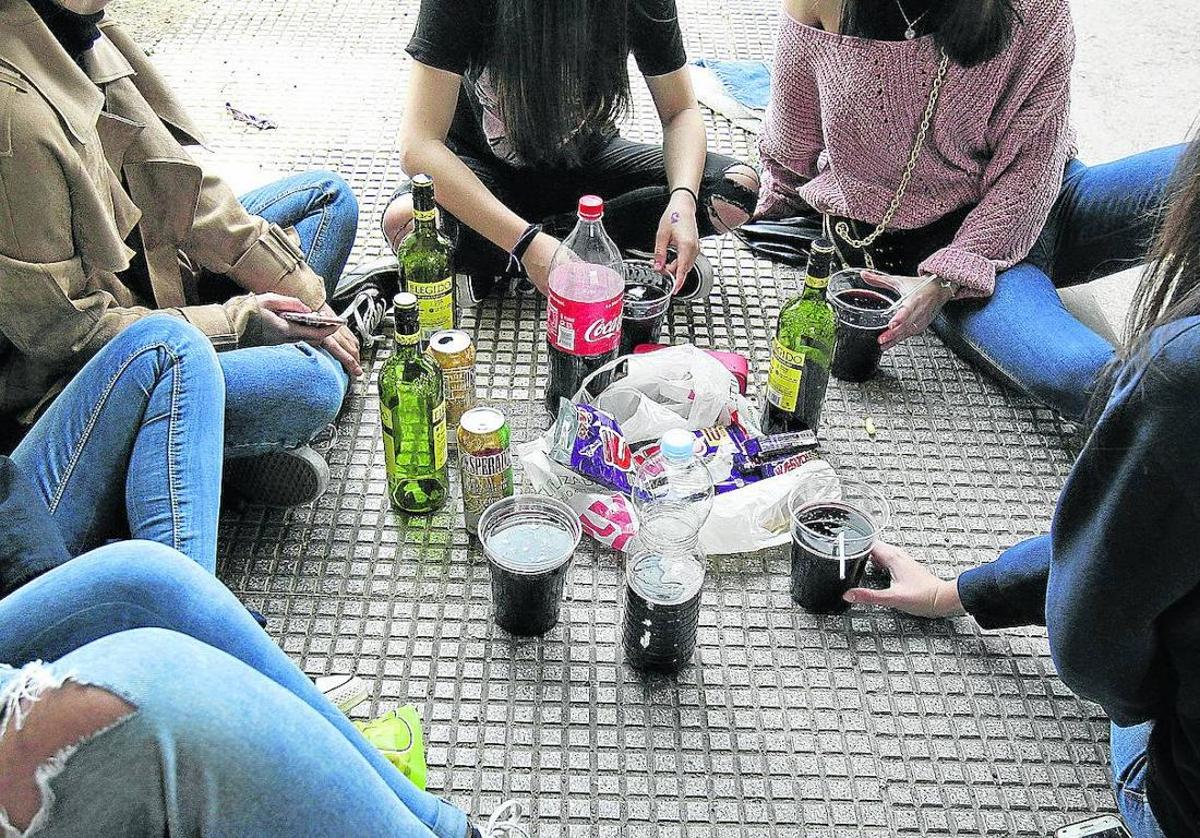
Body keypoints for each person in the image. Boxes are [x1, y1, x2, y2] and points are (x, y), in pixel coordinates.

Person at [841, 136, 1200, 838]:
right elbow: (1132, 541)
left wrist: (948, 275)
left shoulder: (1183, 374)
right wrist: (964, 592)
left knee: (1105, 387)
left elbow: (1093, 629)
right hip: (947, 240)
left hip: (1181, 798)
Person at [0, 0, 374, 507]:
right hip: (72, 388)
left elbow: (184, 189)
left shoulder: (78, 23)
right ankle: (205, 452)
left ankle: (225, 437)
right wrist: (241, 321)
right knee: (310, 384)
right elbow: (70, 337)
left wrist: (308, 299)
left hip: (156, 283)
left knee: (328, 199)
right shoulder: (12, 115)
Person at [757, 0, 1184, 421]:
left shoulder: (1039, 8)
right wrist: (746, 202)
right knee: (1098, 379)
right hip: (935, 258)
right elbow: (790, 145)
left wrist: (948, 279)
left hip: (1044, 202)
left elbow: (1034, 163)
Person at [381, 0, 760, 303]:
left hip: (585, 165)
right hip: (481, 172)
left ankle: (514, 260)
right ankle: (593, 257)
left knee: (733, 191)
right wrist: (527, 244)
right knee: (406, 223)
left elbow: (680, 112)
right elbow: (420, 145)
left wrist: (682, 202)